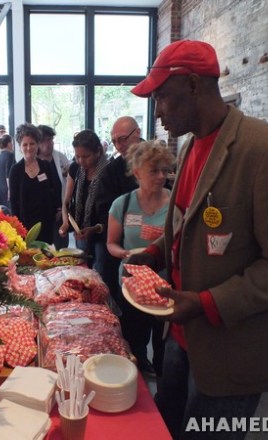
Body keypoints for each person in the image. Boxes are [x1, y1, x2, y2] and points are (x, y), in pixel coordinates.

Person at [127, 40, 268, 439]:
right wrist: (154, 253)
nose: (157, 111)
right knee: (166, 427)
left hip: (232, 349)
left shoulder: (266, 152)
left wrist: (206, 303)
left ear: (194, 85)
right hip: (180, 338)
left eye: (162, 96)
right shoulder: (191, 146)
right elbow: (186, 225)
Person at [107, 140, 175, 377]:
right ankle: (137, 373)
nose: (161, 176)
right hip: (132, 282)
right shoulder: (122, 204)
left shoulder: (175, 203)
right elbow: (111, 244)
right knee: (134, 336)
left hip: (165, 283)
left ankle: (161, 377)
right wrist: (124, 253)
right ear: (137, 173)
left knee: (163, 339)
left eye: (164, 170)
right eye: (153, 171)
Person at [93, 117, 141, 305]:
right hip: (122, 248)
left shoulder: (156, 162)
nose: (119, 146)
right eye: (114, 141)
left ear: (137, 133)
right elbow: (103, 210)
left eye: (122, 139)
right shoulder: (111, 171)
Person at [59, 130, 108, 271]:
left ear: (98, 151)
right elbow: (66, 201)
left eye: (86, 156)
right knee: (82, 268)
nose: (81, 161)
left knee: (100, 269)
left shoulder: (108, 171)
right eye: (77, 156)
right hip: (80, 229)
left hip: (103, 232)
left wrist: (95, 229)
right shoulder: (75, 168)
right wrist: (65, 223)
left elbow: (112, 210)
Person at [8, 123, 56, 243]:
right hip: (24, 227)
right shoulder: (15, 170)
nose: (29, 148)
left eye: (32, 143)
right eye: (25, 144)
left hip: (45, 225)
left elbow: (53, 192)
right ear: (20, 147)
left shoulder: (46, 166)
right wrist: (17, 228)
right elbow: (13, 202)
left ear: (38, 144)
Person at [37, 125, 71, 249]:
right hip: (43, 214)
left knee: (61, 248)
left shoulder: (60, 157)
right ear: (38, 142)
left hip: (61, 212)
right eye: (46, 140)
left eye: (51, 139)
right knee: (45, 249)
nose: (50, 143)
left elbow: (71, 177)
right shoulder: (34, 162)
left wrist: (69, 173)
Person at [0, 134, 16, 209]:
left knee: (1, 212)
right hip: (7, 188)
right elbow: (8, 174)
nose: (13, 145)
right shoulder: (10, 156)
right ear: (9, 143)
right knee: (9, 212)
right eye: (12, 143)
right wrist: (10, 190)